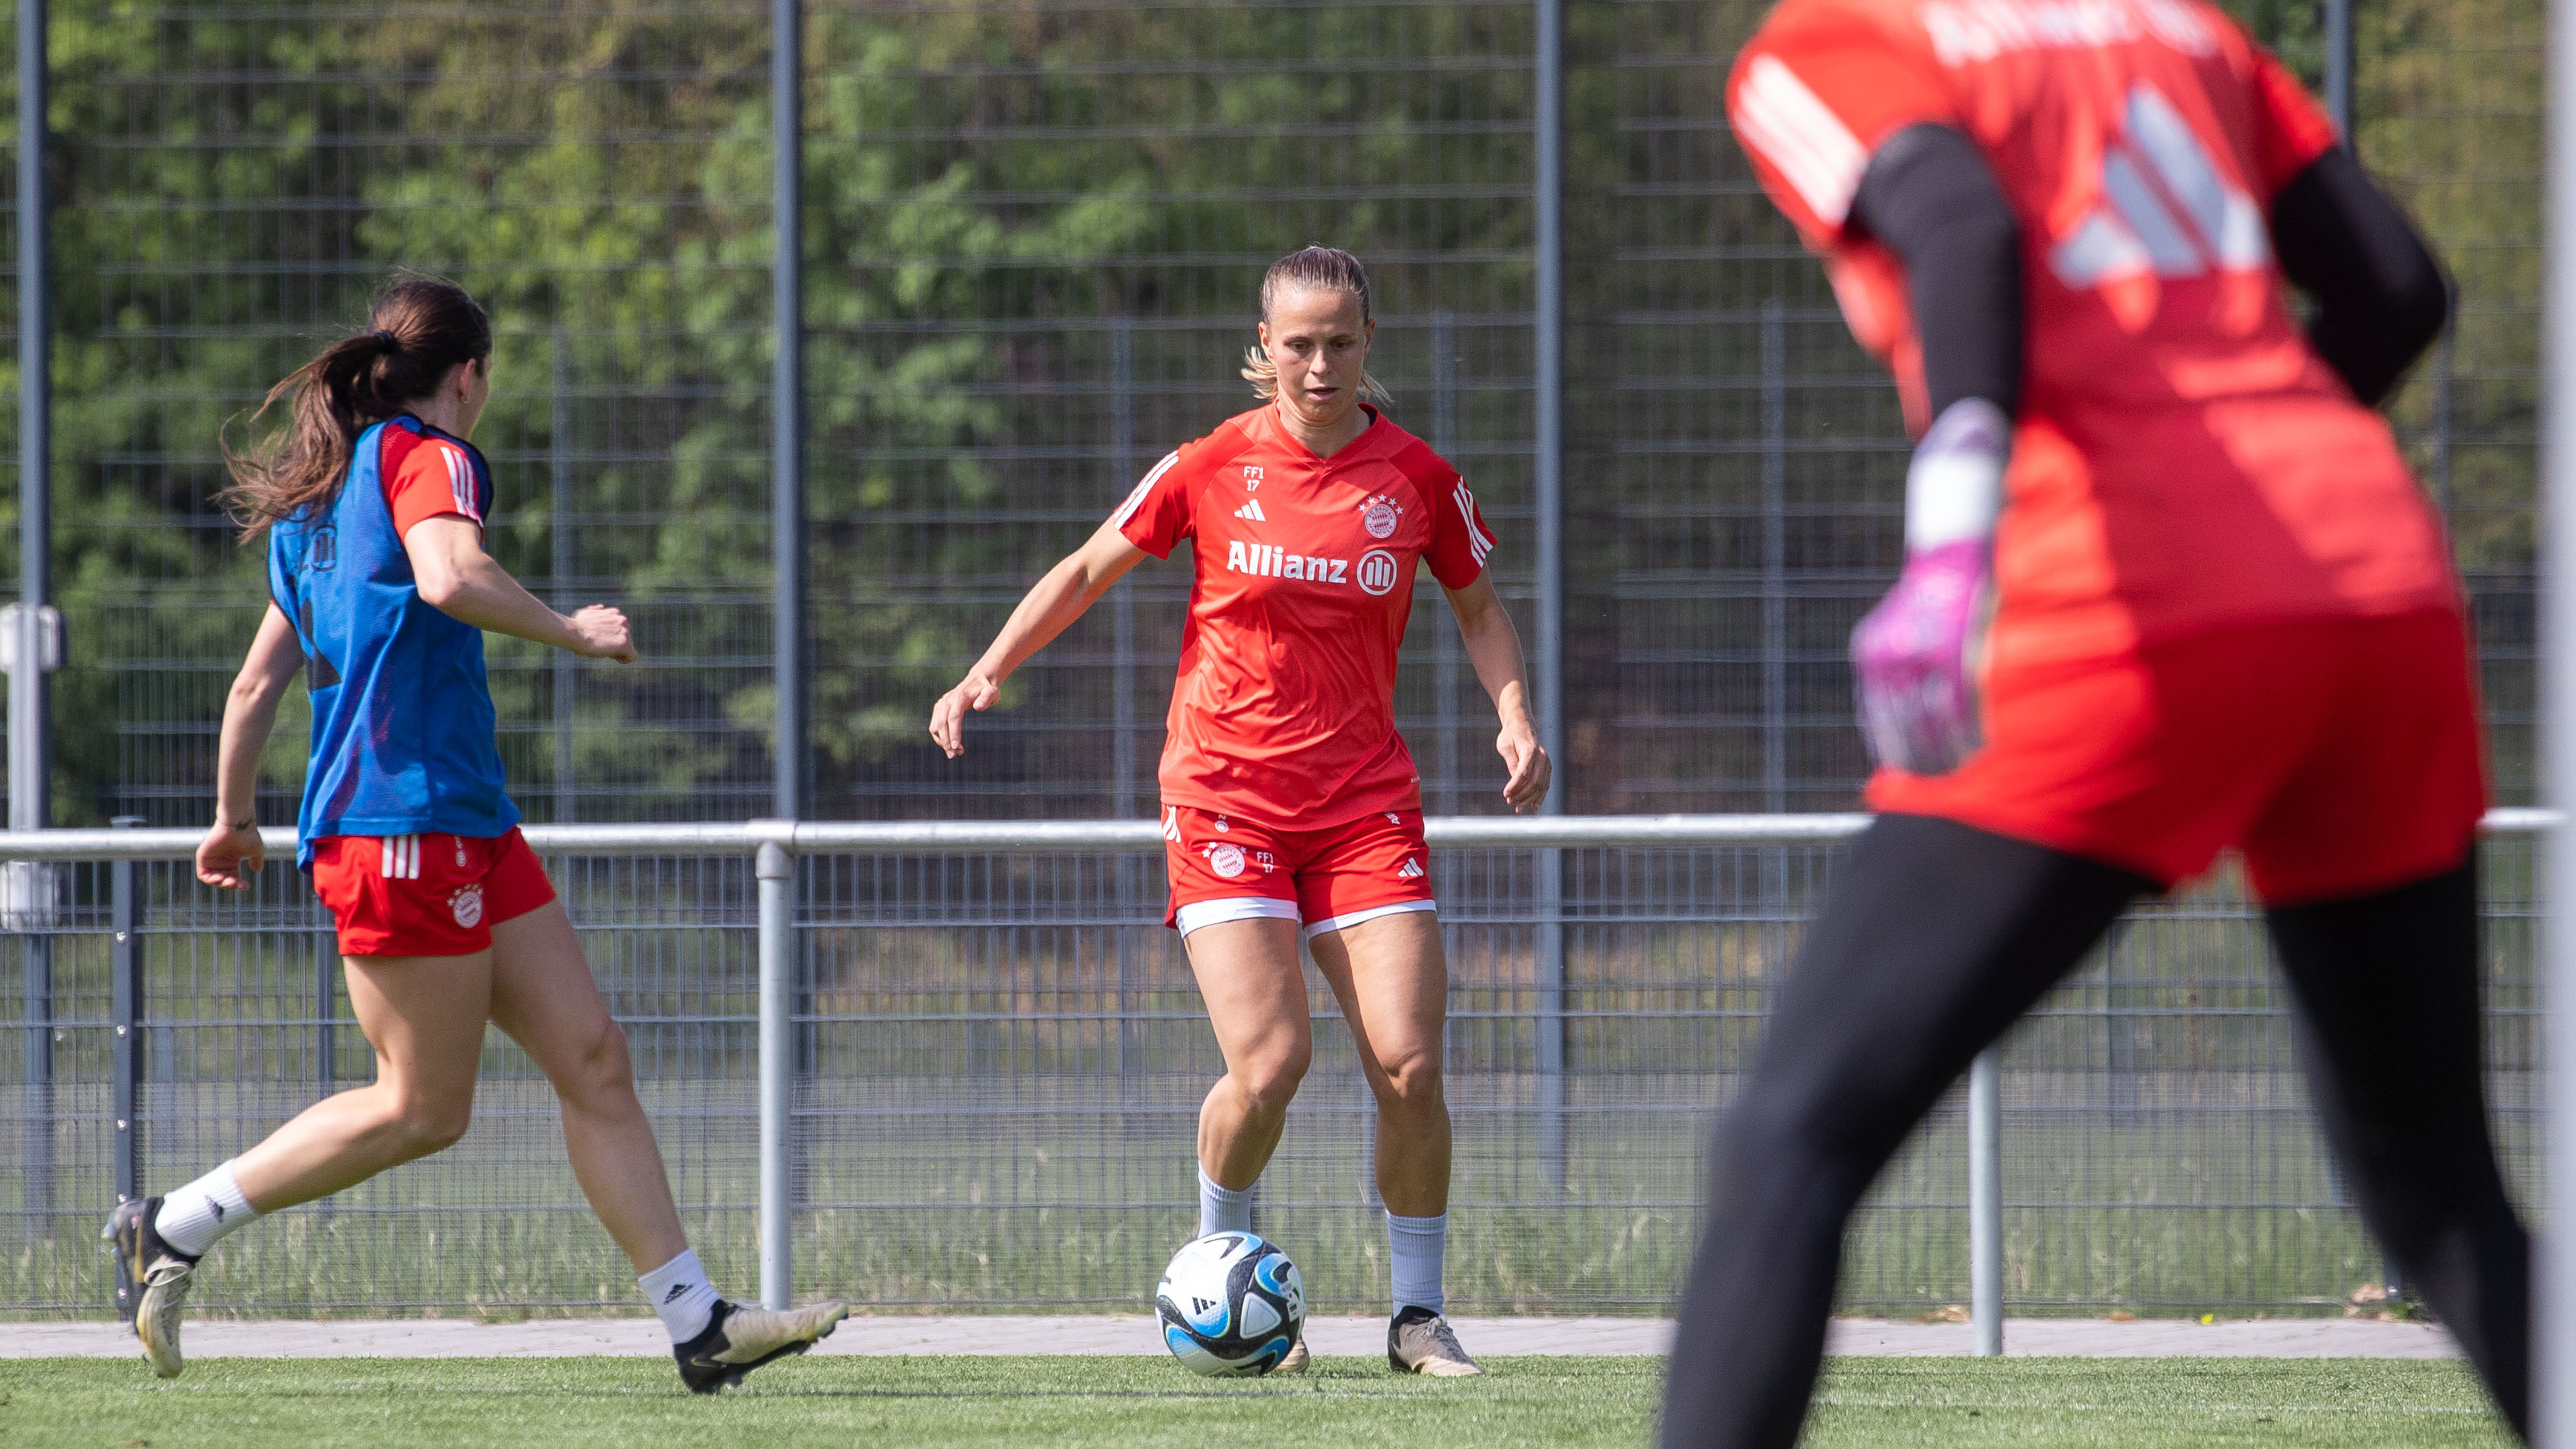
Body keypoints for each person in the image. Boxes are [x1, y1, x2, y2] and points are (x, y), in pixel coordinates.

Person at [1662, 2, 2529, 1444]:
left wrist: (1952, 537)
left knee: (1788, 1141)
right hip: (2374, 585)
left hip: (2124, 605)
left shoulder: (1818, 48)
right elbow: (2396, 289)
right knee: (2442, 1205)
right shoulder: (2178, 27)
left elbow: (1961, 224)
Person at [105, 274, 848, 1393]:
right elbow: (452, 576)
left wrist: (231, 816)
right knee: (420, 1106)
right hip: (401, 823)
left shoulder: (322, 497)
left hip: (464, 819)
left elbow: (256, 685)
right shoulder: (424, 454)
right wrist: (572, 631)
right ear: (469, 375)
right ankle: (175, 1224)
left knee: (594, 1058)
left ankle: (696, 1322)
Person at [930, 246, 1548, 1376]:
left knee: (1408, 1066)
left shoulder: (1415, 479)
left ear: (1369, 346)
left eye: (1339, 342)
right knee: (1269, 1065)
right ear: (1263, 350)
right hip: (1224, 796)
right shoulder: (1211, 462)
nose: (1318, 364)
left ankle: (1416, 1317)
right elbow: (1083, 567)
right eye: (1297, 344)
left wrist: (1513, 715)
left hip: (1364, 809)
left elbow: (1480, 609)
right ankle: (1219, 1278)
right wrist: (987, 670)